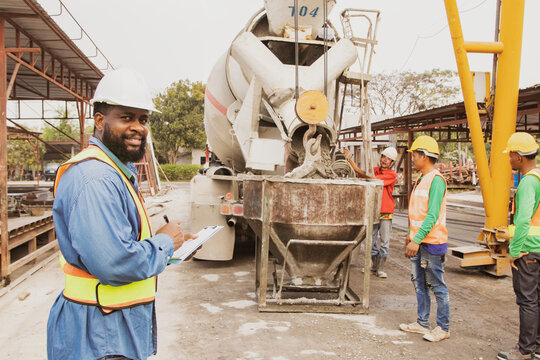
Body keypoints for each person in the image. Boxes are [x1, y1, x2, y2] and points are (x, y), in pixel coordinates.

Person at [47, 68, 196, 360]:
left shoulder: (113, 171)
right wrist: (163, 244)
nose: (139, 127)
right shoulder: (96, 178)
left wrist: (174, 248)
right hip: (99, 336)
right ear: (100, 121)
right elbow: (114, 262)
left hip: (110, 331)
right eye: (126, 117)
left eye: (143, 119)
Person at [399, 135, 450, 343]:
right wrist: (410, 235)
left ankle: (444, 327)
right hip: (419, 241)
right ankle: (422, 323)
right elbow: (417, 214)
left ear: (425, 156)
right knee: (419, 284)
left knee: (437, 286)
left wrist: (416, 239)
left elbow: (432, 215)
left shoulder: (436, 181)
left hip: (432, 243)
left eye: (415, 155)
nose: (413, 159)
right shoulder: (421, 179)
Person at [497, 132, 540, 360]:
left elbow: (523, 220)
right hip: (539, 248)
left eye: (511, 155)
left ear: (519, 157)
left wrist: (514, 252)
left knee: (527, 301)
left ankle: (524, 350)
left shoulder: (528, 184)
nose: (509, 159)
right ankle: (537, 346)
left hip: (528, 250)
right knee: (538, 300)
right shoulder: (539, 178)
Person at [344, 146, 398, 278]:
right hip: (373, 210)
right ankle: (374, 267)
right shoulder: (375, 170)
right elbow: (360, 174)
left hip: (385, 212)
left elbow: (372, 179)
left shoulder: (392, 174)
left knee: (384, 241)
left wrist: (355, 166)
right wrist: (349, 161)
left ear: (392, 163)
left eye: (388, 159)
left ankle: (380, 268)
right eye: (383, 157)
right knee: (371, 240)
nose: (385, 160)